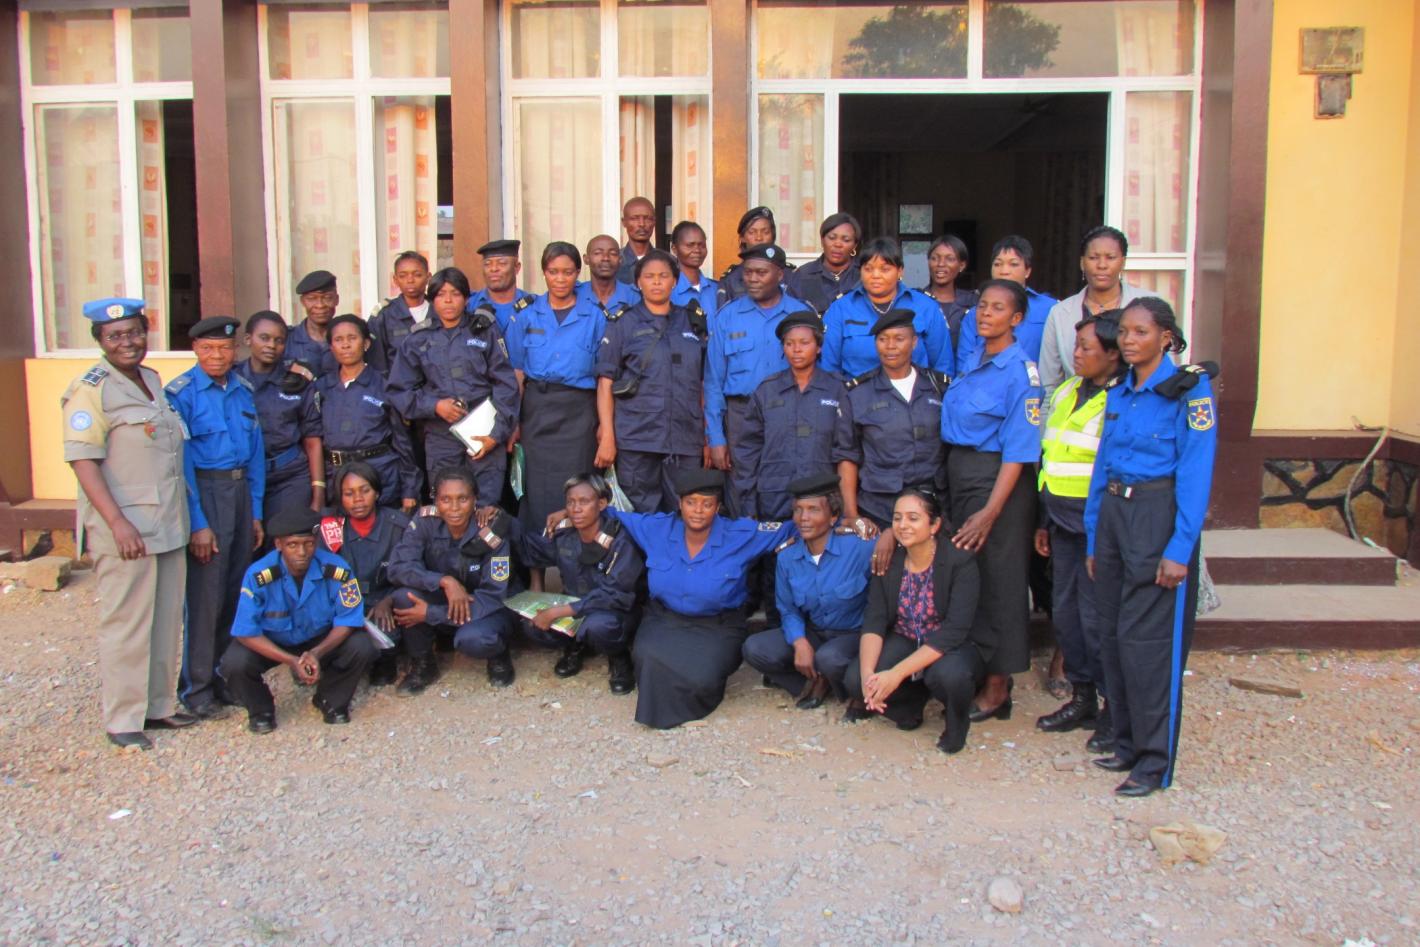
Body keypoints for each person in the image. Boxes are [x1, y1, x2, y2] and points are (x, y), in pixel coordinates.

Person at [1085, 297, 1217, 798]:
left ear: (1165, 337)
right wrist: (1095, 536)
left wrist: (1180, 547)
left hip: (1156, 515)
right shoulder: (1121, 390)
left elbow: (1196, 472)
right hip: (1115, 516)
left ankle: (1153, 761)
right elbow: (1103, 466)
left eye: (1140, 331)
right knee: (1114, 636)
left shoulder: (1189, 391)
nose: (1128, 340)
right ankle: (1125, 742)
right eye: (1124, 331)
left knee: (1149, 646)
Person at [62, 298, 194, 750]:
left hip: (166, 522)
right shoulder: (91, 390)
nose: (128, 342)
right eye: (115, 336)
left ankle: (158, 706)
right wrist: (117, 522)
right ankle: (123, 719)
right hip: (126, 528)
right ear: (99, 340)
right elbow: (83, 460)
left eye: (135, 332)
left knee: (164, 618)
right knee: (127, 622)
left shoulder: (152, 381)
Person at [608, 468, 794, 729]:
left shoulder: (740, 534)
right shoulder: (657, 528)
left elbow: (794, 528)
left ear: (717, 508)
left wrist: (844, 524)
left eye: (707, 504)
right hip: (664, 620)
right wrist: (567, 515)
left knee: (701, 679)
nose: (698, 510)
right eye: (691, 503)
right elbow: (611, 513)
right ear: (679, 504)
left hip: (718, 626)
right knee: (648, 659)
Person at [939, 279, 1044, 725]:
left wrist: (991, 511)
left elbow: (1020, 451)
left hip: (998, 482)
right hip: (962, 472)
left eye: (998, 308)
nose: (985, 313)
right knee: (973, 577)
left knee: (1002, 581)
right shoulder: (974, 358)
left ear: (1016, 319)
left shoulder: (1020, 373)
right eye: (983, 305)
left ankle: (999, 684)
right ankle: (979, 668)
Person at [166, 316, 266, 719]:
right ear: (194, 349)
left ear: (235, 349)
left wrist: (256, 512)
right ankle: (197, 688)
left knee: (233, 593)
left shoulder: (242, 391)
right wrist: (198, 523)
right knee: (205, 598)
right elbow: (181, 466)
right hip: (206, 493)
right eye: (208, 348)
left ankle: (224, 678)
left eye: (224, 348)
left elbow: (256, 455)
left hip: (240, 495)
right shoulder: (181, 395)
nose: (217, 356)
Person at [1034, 311, 1125, 744]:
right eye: (1076, 345)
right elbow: (1050, 455)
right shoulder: (1068, 390)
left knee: (1096, 620)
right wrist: (1043, 521)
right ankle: (1083, 696)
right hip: (1061, 523)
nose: (1077, 354)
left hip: (1097, 529)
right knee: (1067, 616)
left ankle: (1113, 709)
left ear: (1113, 354)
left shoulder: (1121, 399)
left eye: (1087, 347)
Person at [844, 489, 986, 755]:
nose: (903, 525)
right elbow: (874, 620)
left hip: (949, 644)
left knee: (948, 676)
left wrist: (896, 674)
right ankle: (910, 705)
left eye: (913, 518)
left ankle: (956, 722)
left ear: (934, 525)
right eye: (897, 518)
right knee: (856, 680)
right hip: (906, 636)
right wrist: (867, 677)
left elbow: (955, 630)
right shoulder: (890, 559)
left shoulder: (959, 561)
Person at [218, 506, 376, 732]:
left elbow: (348, 620)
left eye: (308, 544)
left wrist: (317, 653)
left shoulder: (337, 569)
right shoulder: (258, 575)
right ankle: (261, 710)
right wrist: (292, 661)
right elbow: (245, 631)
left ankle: (331, 700)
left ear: (316, 541)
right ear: (278, 545)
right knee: (234, 662)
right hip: (275, 642)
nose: (302, 552)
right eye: (292, 545)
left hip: (319, 639)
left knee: (361, 646)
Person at [388, 266, 520, 507]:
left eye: (455, 293)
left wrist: (496, 435)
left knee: (485, 508)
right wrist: (434, 406)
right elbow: (398, 391)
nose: (448, 300)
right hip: (441, 437)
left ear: (467, 298)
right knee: (447, 506)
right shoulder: (418, 339)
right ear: (432, 300)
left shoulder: (484, 331)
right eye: (441, 294)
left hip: (484, 433)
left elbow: (506, 385)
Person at [742, 473, 874, 709]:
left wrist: (889, 536)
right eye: (798, 510)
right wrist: (800, 641)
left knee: (829, 658)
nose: (803, 518)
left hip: (853, 635)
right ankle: (812, 680)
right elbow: (788, 609)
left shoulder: (861, 547)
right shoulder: (787, 556)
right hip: (816, 632)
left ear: (833, 516)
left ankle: (841, 682)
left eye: (813, 510)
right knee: (755, 648)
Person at [594, 250, 708, 513]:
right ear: (638, 282)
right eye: (649, 276)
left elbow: (703, 382)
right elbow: (606, 382)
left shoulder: (692, 321)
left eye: (663, 276)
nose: (656, 282)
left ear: (675, 281)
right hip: (637, 439)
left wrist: (706, 436)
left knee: (684, 514)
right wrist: (608, 435)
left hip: (684, 439)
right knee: (640, 516)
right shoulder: (624, 323)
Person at [387, 468, 520, 694]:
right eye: (446, 500)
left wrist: (431, 613)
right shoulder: (424, 521)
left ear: (475, 499)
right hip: (446, 600)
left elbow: (493, 596)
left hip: (487, 609)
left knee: (473, 639)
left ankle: (497, 654)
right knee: (404, 597)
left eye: (463, 499)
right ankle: (424, 664)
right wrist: (444, 581)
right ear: (435, 500)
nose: (455, 507)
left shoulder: (491, 529)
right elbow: (398, 567)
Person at [504, 242, 607, 529]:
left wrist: (605, 426)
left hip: (580, 412)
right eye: (553, 272)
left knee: (579, 484)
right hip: (537, 408)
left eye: (568, 272)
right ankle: (538, 555)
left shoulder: (595, 316)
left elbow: (604, 378)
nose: (560, 279)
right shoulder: (526, 314)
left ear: (578, 273)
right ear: (544, 273)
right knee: (537, 487)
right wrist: (513, 422)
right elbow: (517, 373)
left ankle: (573, 551)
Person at [704, 242, 812, 516]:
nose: (752, 278)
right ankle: (747, 541)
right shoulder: (727, 316)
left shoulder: (800, 314)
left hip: (788, 412)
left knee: (788, 483)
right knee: (742, 487)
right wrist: (716, 437)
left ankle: (783, 543)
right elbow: (713, 381)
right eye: (748, 272)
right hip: (740, 414)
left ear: (780, 275)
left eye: (761, 273)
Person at [509, 473, 642, 694]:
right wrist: (502, 520)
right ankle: (575, 646)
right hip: (574, 609)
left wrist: (559, 611)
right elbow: (529, 548)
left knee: (598, 627)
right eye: (570, 502)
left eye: (584, 501)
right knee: (531, 625)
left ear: (601, 504)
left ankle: (619, 657)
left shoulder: (620, 540)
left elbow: (615, 594)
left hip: (612, 611)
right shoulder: (565, 535)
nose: (576, 509)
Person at [834, 309, 949, 528]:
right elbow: (847, 456)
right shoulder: (858, 394)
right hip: (879, 508)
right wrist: (851, 514)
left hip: (932, 504)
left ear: (914, 342)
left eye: (899, 339)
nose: (890, 346)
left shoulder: (938, 387)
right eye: (883, 339)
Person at [737, 311, 848, 520]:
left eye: (804, 343)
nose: (796, 350)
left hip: (822, 500)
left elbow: (846, 450)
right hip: (774, 500)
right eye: (789, 343)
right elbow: (748, 451)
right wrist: (749, 507)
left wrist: (845, 507)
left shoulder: (836, 389)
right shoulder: (766, 391)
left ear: (818, 347)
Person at [317, 462, 411, 686]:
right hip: (344, 600)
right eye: (349, 494)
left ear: (377, 492)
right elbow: (321, 576)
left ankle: (386, 662)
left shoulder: (397, 525)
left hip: (383, 598)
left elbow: (411, 573)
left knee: (388, 627)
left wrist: (388, 601)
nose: (357, 500)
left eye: (364, 491)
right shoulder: (331, 528)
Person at [317, 315, 420, 512]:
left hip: (380, 475)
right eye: (338, 340)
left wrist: (409, 490)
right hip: (336, 478)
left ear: (366, 344)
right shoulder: (321, 388)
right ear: (331, 347)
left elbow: (402, 441)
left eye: (352, 338)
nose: (345, 345)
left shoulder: (385, 386)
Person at [1039, 226, 1157, 394]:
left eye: (1110, 257)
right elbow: (1049, 384)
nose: (1102, 265)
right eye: (1093, 258)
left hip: (1136, 404)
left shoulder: (1148, 306)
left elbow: (1162, 369)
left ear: (1123, 262)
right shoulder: (1060, 313)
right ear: (1082, 262)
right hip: (1078, 407)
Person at [821, 237, 953, 379]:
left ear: (900, 271)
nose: (875, 275)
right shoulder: (841, 308)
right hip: (855, 391)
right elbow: (828, 368)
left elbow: (943, 366)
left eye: (884, 269)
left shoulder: (925, 306)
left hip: (914, 391)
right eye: (868, 269)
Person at [235, 311, 324, 521]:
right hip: (244, 476)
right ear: (248, 339)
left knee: (289, 536)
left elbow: (312, 440)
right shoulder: (231, 379)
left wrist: (318, 492)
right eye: (264, 338)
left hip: (289, 476)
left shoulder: (298, 380)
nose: (271, 346)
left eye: (279, 340)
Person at [955, 236, 1058, 374]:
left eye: (1013, 264)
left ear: (1027, 271)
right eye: (997, 264)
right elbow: (964, 367)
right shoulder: (977, 313)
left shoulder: (1050, 309)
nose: (1004, 271)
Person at [367, 251, 431, 377]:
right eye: (403, 276)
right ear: (395, 280)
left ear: (428, 277)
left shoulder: (440, 311)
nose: (410, 280)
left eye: (417, 275)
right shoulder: (384, 316)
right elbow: (377, 365)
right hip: (398, 387)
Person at [786, 212, 862, 314]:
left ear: (855, 245)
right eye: (832, 238)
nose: (838, 244)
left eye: (846, 240)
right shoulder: (803, 275)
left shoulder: (864, 273)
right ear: (822, 240)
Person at [715, 206, 781, 308]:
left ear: (773, 236)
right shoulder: (731, 279)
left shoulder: (789, 275)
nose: (759, 237)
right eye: (752, 232)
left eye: (765, 232)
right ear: (742, 238)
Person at [923, 235, 978, 354]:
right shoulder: (917, 301)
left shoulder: (973, 302)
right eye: (934, 258)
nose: (941, 264)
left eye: (950, 259)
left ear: (962, 265)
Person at [466, 240, 534, 332]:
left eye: (502, 263)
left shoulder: (533, 305)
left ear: (517, 267)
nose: (494, 269)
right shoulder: (469, 305)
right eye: (487, 264)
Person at [284, 270, 341, 377]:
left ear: (336, 299)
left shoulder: (348, 340)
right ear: (303, 301)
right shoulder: (286, 339)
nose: (320, 305)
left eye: (327, 298)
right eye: (312, 299)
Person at [580, 234, 643, 314]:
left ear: (620, 260)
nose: (606, 258)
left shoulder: (633, 297)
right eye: (598, 253)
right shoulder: (576, 294)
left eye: (613, 253)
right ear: (586, 259)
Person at [669, 220, 719, 316]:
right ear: (674, 249)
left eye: (702, 245)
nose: (697, 250)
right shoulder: (668, 291)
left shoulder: (717, 289)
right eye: (690, 245)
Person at [616, 196, 657, 284]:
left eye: (647, 218)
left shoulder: (668, 262)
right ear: (624, 222)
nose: (642, 224)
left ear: (654, 222)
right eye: (634, 218)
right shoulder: (614, 262)